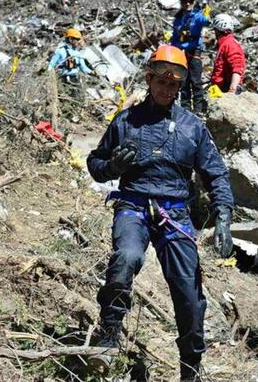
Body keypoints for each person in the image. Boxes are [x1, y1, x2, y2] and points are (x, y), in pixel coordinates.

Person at [87, 44, 234, 382]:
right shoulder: (126, 120)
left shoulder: (192, 128)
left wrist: (224, 214)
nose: (167, 90)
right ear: (149, 79)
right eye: (161, 83)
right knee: (125, 257)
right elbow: (95, 163)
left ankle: (190, 368)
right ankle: (109, 336)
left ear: (179, 87)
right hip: (133, 206)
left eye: (173, 85)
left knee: (188, 292)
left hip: (174, 213)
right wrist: (112, 166)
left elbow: (216, 173)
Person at [170, 0, 210, 113]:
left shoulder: (197, 16)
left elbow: (206, 21)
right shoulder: (177, 19)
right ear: (181, 3)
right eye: (185, 1)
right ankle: (186, 110)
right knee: (183, 83)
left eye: (190, 1)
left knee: (196, 81)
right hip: (180, 52)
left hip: (194, 52)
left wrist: (206, 13)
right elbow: (174, 38)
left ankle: (198, 110)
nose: (187, 3)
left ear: (193, 2)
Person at [209, 14, 246, 93]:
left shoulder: (229, 44)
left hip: (226, 87)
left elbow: (237, 66)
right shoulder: (225, 43)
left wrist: (232, 89)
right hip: (221, 88)